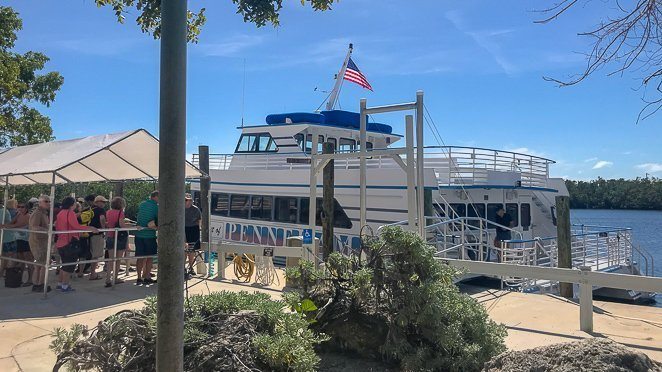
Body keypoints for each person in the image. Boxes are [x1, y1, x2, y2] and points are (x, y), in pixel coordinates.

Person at [55, 196, 98, 292]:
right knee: (69, 266)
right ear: (71, 204)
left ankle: (60, 283)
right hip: (69, 242)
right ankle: (65, 285)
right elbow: (76, 226)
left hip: (61, 242)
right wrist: (90, 228)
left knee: (64, 264)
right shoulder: (70, 213)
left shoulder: (60, 213)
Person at [2, 200, 35, 286]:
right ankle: (19, 279)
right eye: (18, 206)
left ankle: (30, 280)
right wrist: (6, 225)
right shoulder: (19, 214)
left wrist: (5, 226)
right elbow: (11, 223)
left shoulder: (28, 216)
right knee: (21, 260)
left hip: (27, 241)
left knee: (29, 260)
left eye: (22, 207)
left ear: (27, 208)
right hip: (19, 239)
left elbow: (16, 225)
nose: (20, 208)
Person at [105, 196, 131, 287]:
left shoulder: (108, 212)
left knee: (111, 259)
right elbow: (121, 225)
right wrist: (132, 227)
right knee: (118, 259)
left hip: (110, 236)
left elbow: (107, 223)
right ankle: (115, 278)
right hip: (119, 237)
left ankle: (108, 278)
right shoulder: (121, 213)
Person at [29, 195, 52, 292]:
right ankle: (40, 284)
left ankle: (37, 283)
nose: (48, 203)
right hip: (38, 241)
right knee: (43, 264)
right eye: (46, 201)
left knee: (40, 264)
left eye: (49, 201)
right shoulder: (37, 213)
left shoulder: (43, 213)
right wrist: (48, 230)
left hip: (42, 241)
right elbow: (34, 226)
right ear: (40, 202)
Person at [135, 191, 158, 285]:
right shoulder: (156, 207)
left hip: (139, 234)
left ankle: (139, 277)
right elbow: (158, 219)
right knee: (150, 257)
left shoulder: (142, 204)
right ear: (156, 197)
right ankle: (147, 276)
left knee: (140, 257)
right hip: (149, 235)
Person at [87, 196, 108, 280]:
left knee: (90, 254)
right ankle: (93, 274)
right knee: (95, 255)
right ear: (98, 202)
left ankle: (85, 271)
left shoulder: (89, 209)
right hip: (97, 234)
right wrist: (103, 230)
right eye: (103, 202)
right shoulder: (100, 210)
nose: (104, 204)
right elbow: (102, 218)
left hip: (88, 234)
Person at [76, 195, 95, 277]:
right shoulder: (87, 213)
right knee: (83, 255)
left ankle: (79, 271)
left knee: (82, 255)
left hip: (81, 235)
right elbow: (82, 220)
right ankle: (80, 272)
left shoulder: (85, 212)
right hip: (82, 235)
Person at [184, 193, 202, 276]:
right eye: (186, 200)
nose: (188, 201)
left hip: (193, 230)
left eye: (190, 200)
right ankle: (183, 267)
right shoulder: (180, 208)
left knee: (191, 250)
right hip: (183, 229)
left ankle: (191, 267)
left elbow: (199, 221)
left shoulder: (196, 209)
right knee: (183, 250)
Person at [0, 201, 17, 277]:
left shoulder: (4, 211)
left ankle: (3, 272)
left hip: (6, 237)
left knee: (5, 256)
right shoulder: (4, 211)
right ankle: (5, 272)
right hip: (8, 237)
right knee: (8, 256)